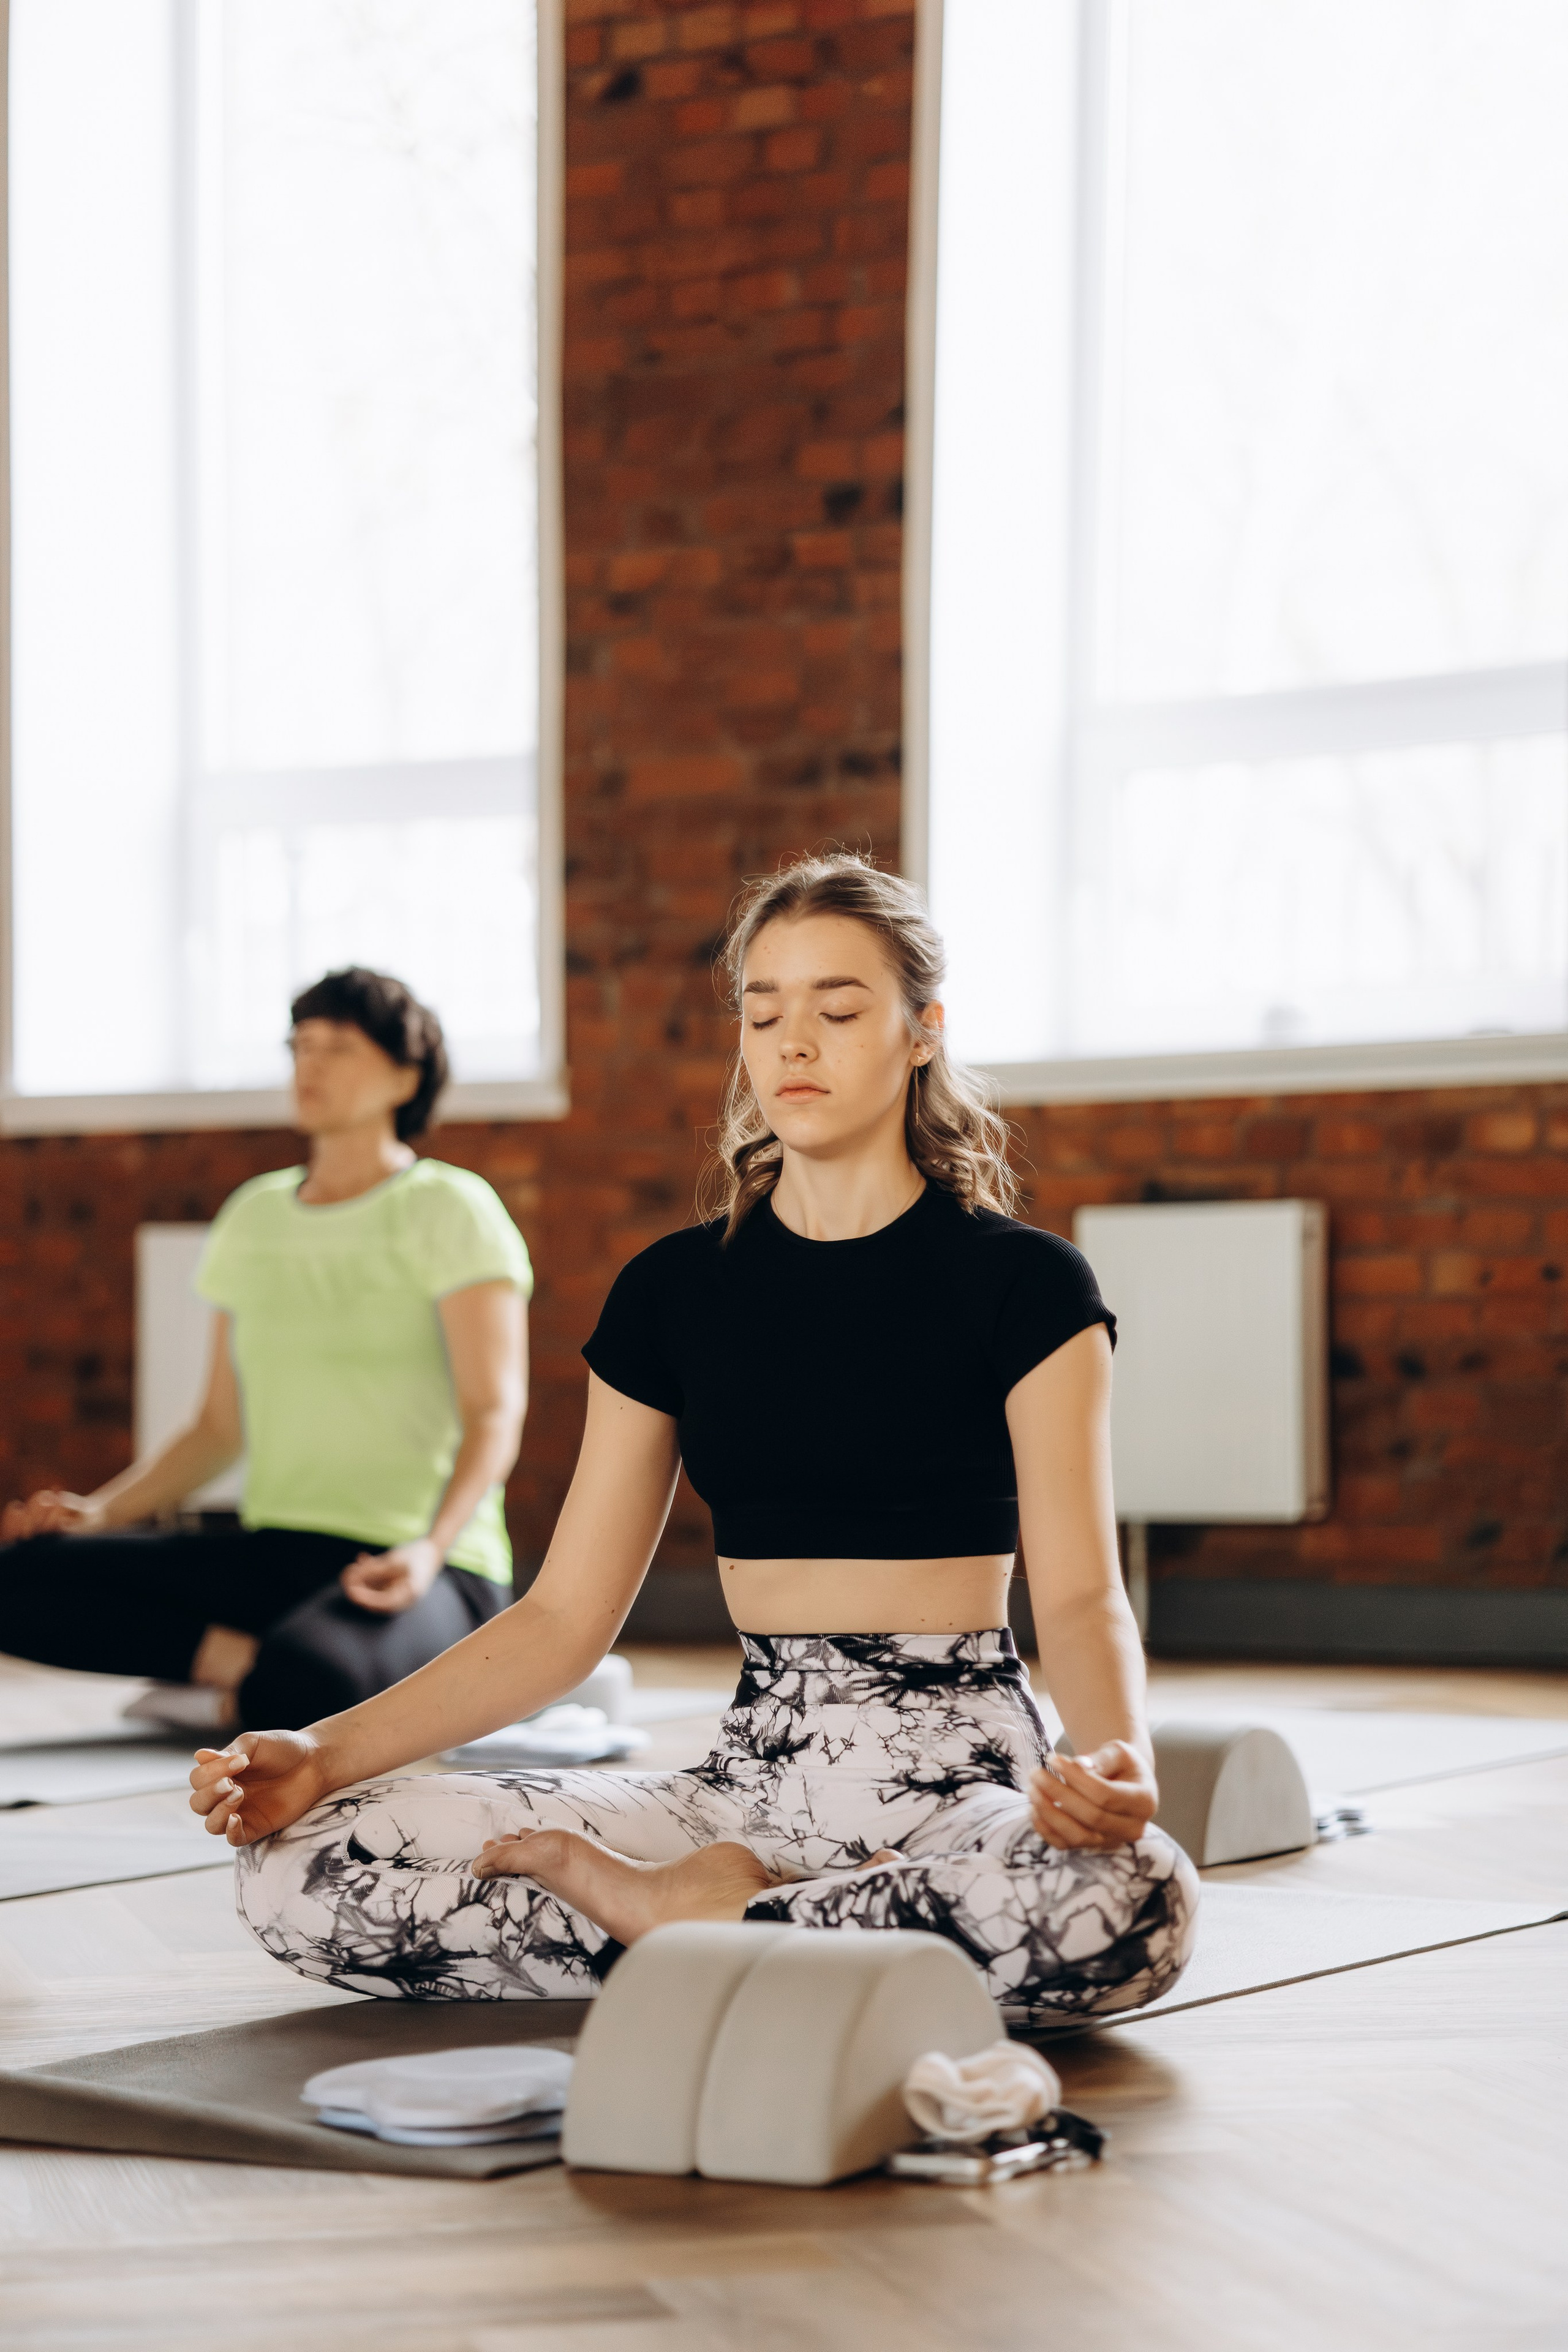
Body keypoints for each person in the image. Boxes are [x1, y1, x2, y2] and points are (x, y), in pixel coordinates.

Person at [190, 859, 1198, 2027]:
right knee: (295, 1867)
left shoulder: (1028, 1286)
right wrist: (322, 1754)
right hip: (743, 1792)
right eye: (763, 1014)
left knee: (1138, 1895)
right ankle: (781, 1930)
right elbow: (563, 1619)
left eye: (838, 1010)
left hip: (960, 1796)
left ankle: (696, 1925)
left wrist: (1118, 1761)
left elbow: (1078, 1600)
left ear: (923, 1032)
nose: (793, 1044)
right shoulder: (671, 1293)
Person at [1, 967, 531, 1734]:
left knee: (312, 1680)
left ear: (405, 1075)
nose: (310, 1066)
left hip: (429, 1565)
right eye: (300, 1046)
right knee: (16, 1575)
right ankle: (237, 1672)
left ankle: (250, 1686)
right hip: (277, 1554)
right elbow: (217, 1429)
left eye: (338, 1048)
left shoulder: (452, 1208)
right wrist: (98, 1513)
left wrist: (429, 1547)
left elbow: (494, 1413)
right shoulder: (253, 1216)